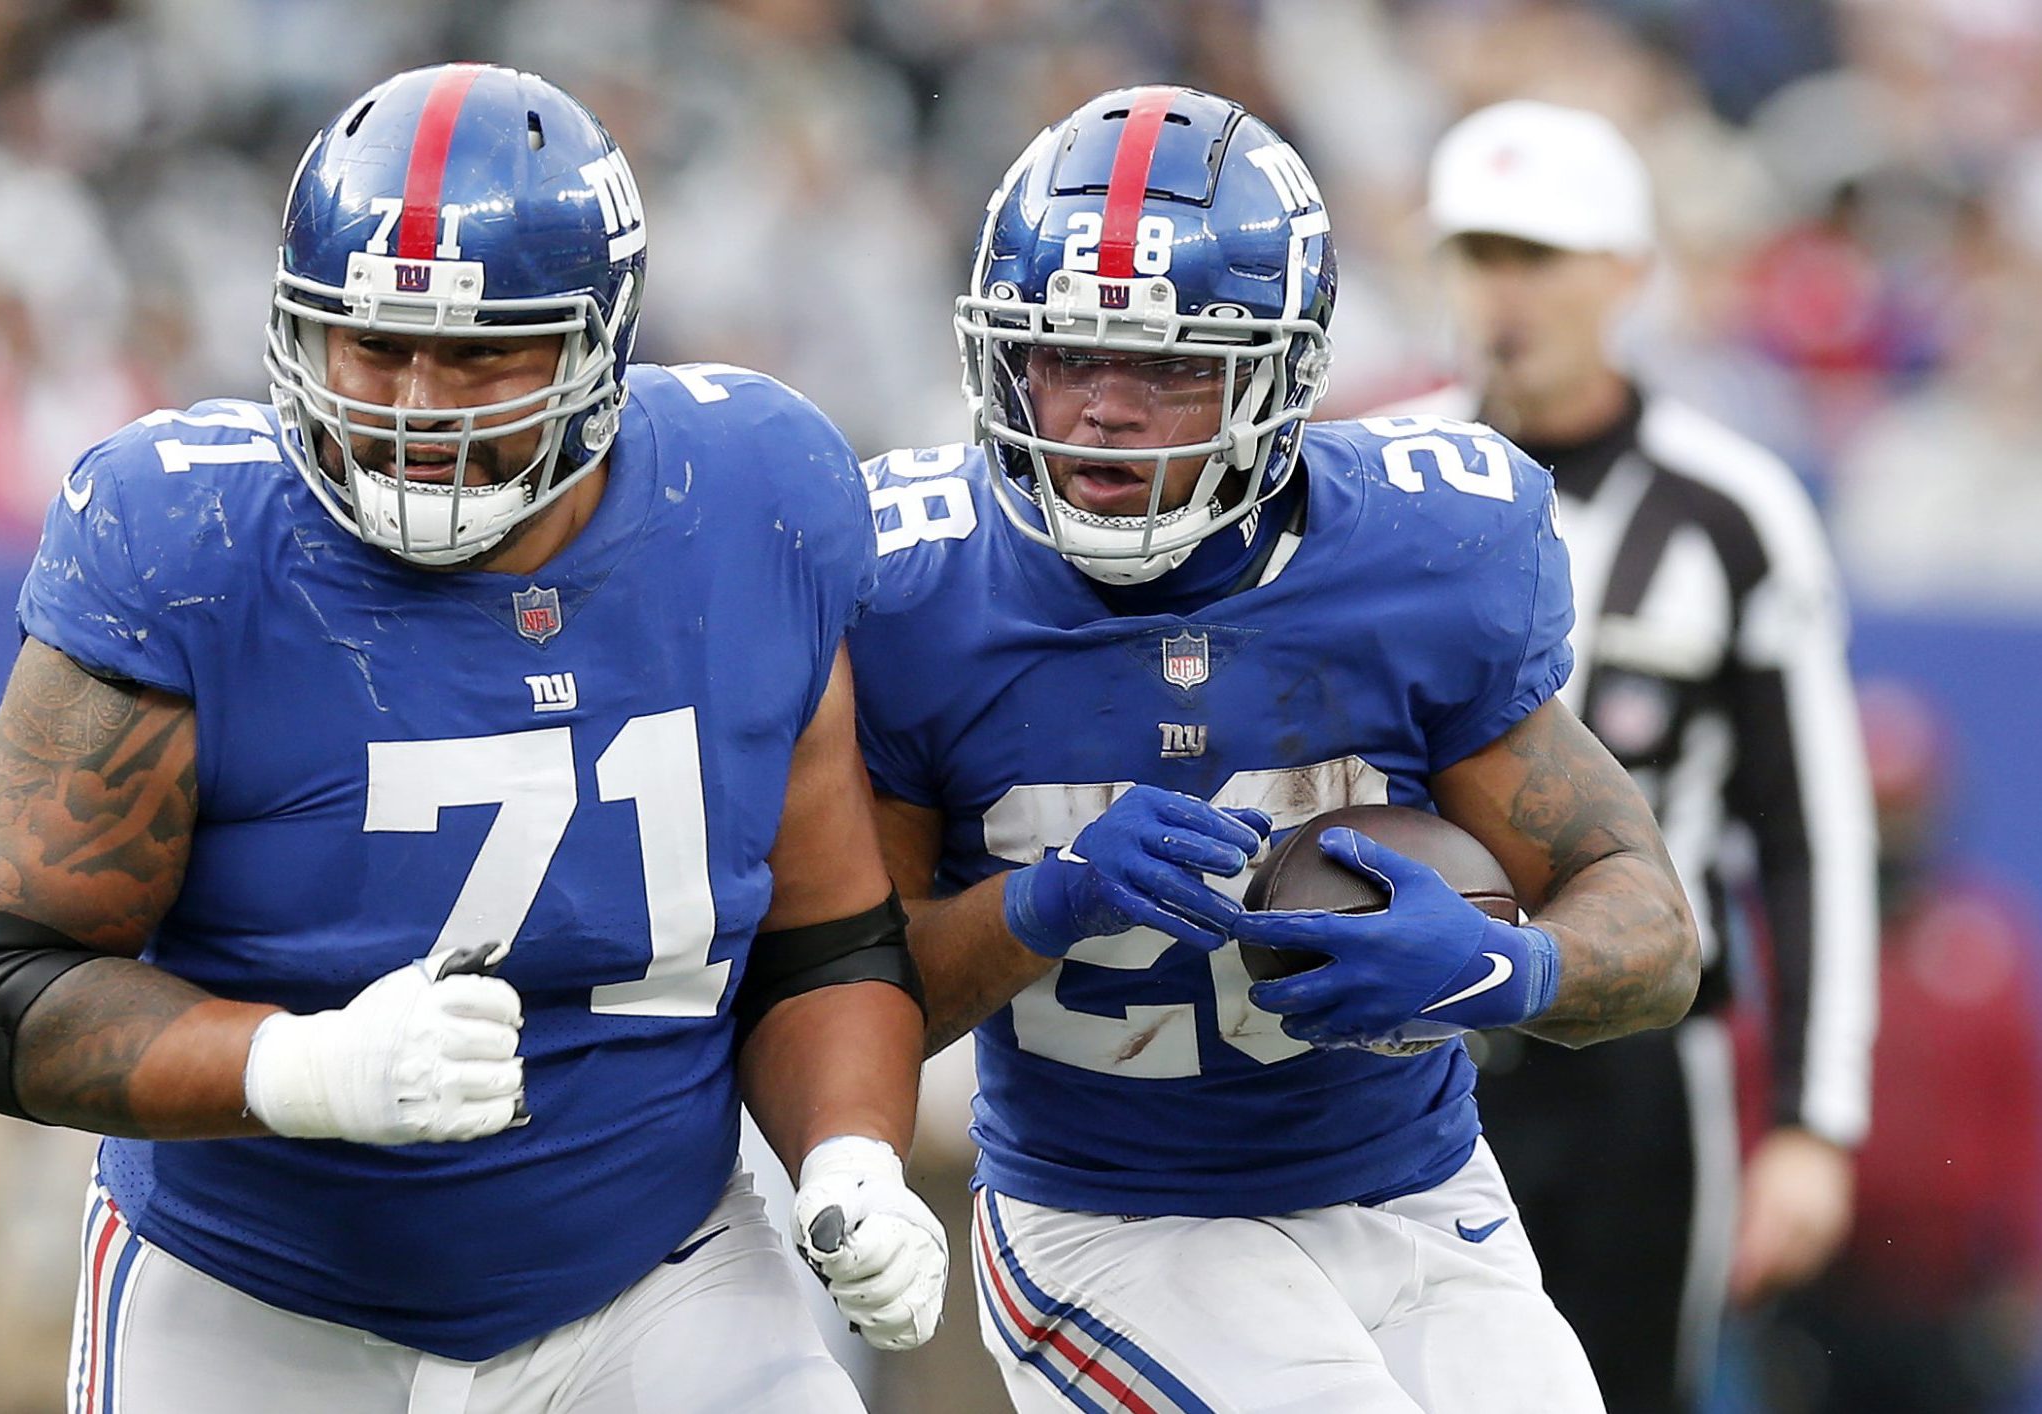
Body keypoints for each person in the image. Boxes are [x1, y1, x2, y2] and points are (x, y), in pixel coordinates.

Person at [0, 63, 946, 1414]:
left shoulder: (750, 497)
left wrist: (851, 1154)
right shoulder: (188, 544)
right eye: (375, 345)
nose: (415, 403)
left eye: (477, 353)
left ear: (596, 350)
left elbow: (824, 938)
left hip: (652, 1270)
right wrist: (295, 1065)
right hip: (255, 1289)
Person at [852, 84, 1701, 1413]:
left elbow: (1648, 927)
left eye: (1168, 364)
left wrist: (1504, 963)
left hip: (1415, 1187)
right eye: (1063, 354)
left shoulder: (1422, 562)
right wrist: (1040, 898)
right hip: (1116, 1221)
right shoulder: (911, 591)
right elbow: (847, 1001)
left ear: (1282, 373)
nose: (1101, 413)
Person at [1389, 100, 1879, 1414]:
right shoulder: (1370, 488)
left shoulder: (1731, 509)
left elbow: (1805, 830)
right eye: (1478, 254)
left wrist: (1813, 1120)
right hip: (1411, 1025)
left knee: (1619, 1390)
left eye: (1537, 256)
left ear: (1622, 271)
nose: (1503, 292)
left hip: (1643, 1058)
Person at [1761, 680, 2042, 1413]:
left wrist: (2025, 1280)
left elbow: (2021, 1124)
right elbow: (1743, 1094)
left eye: (1903, 812)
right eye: (1873, 812)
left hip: (1948, 1301)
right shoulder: (1787, 948)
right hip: (1815, 1292)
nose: (1889, 837)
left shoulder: (1984, 949)